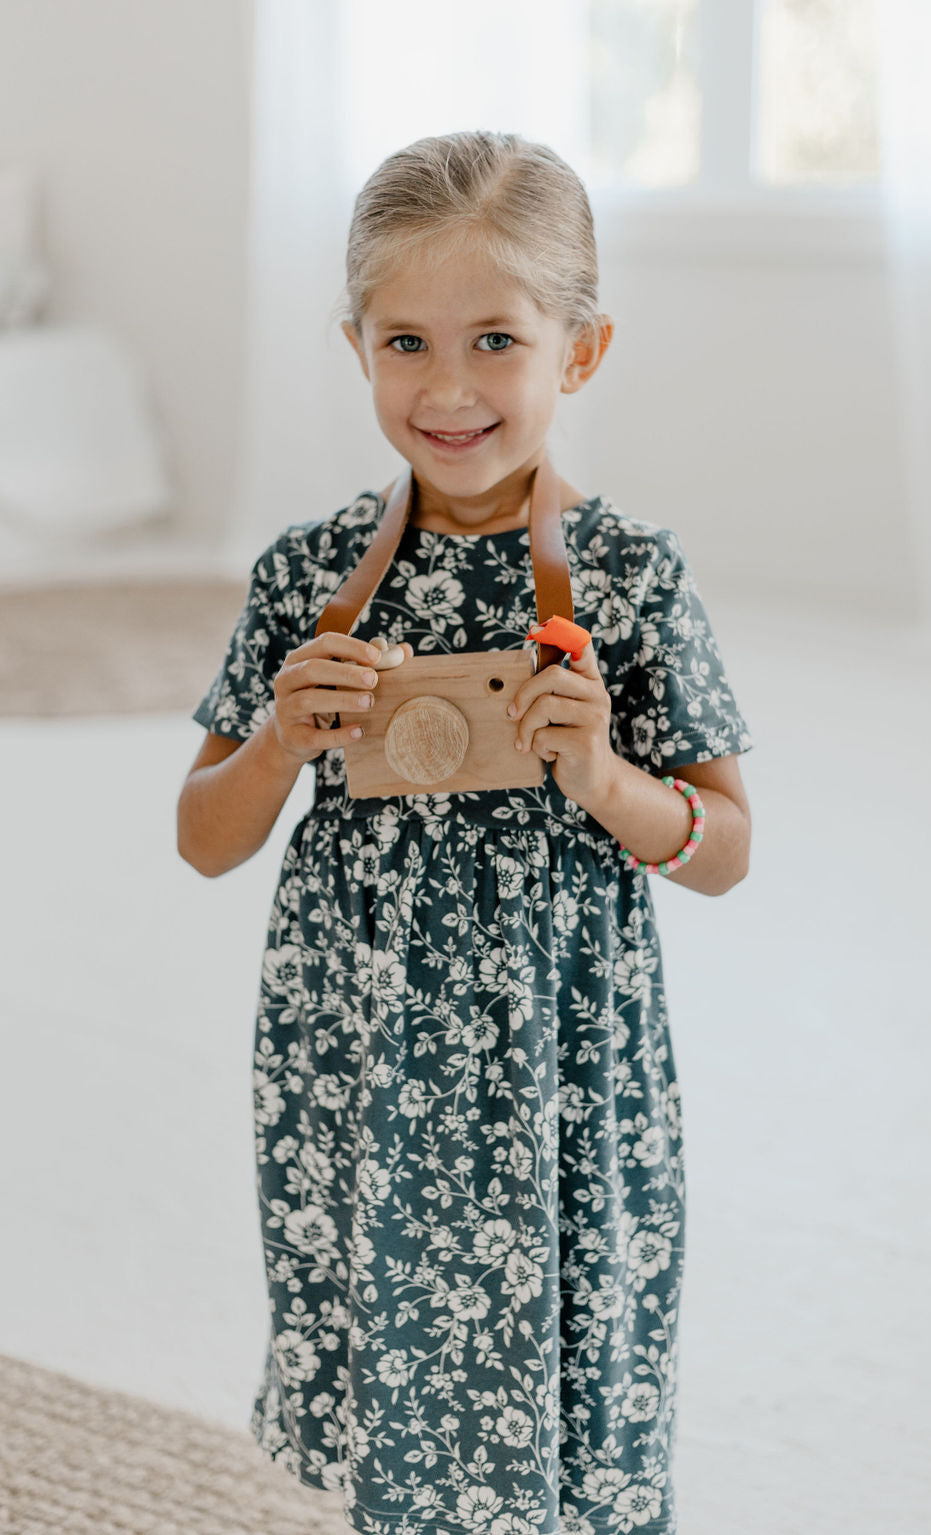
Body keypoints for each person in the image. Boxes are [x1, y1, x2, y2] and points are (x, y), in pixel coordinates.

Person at [178, 129, 754, 1535]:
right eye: (406, 342)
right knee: (396, 1335)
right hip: (360, 1042)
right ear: (355, 344)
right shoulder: (310, 574)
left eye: (496, 339)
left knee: (564, 1340)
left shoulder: (629, 576)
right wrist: (278, 740)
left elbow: (726, 844)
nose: (447, 388)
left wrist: (609, 779)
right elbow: (203, 837)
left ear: (582, 349)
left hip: (561, 1043)